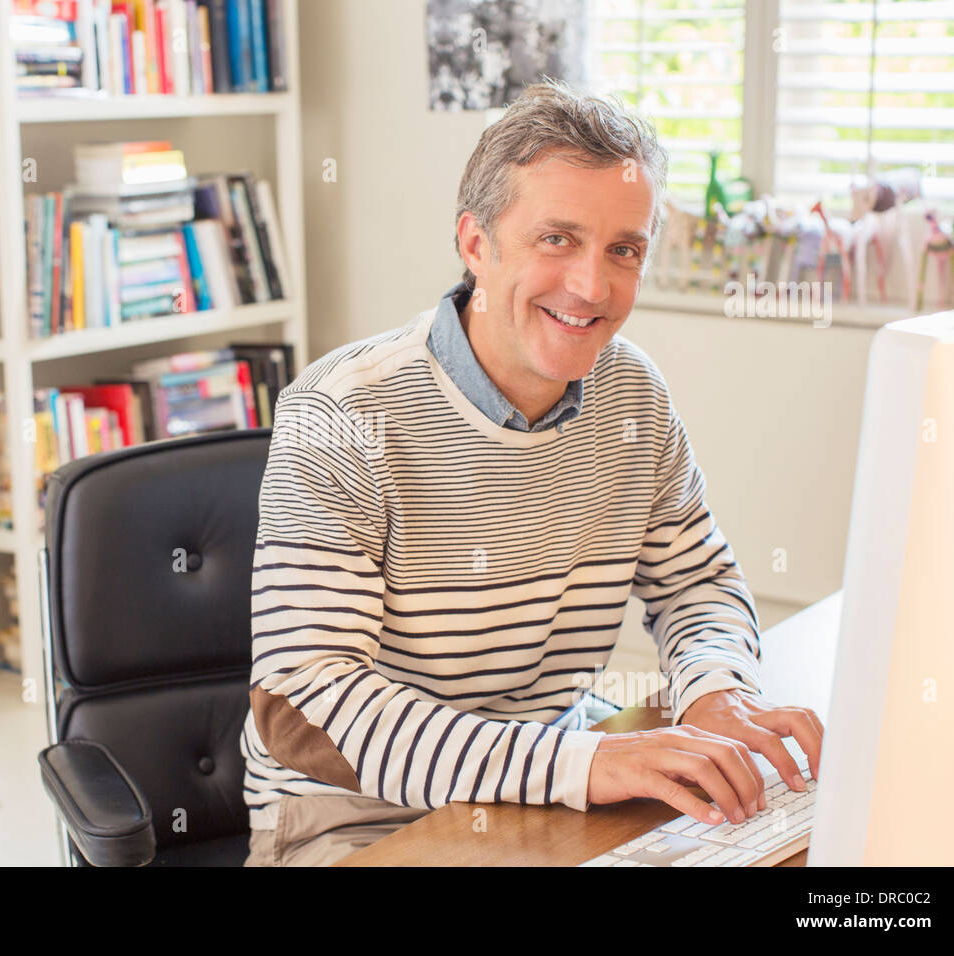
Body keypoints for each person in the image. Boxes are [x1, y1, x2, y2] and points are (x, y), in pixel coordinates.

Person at [241, 78, 824, 867]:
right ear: (476, 243)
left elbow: (695, 582)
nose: (592, 287)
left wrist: (714, 689)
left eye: (624, 249)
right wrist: (578, 765)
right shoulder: (342, 412)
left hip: (554, 780)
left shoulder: (632, 394)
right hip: (356, 820)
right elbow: (303, 710)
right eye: (558, 239)